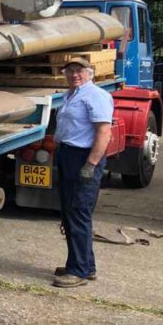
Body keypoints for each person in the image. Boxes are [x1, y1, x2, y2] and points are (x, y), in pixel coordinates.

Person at [52, 56, 114, 288]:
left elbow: (103, 132)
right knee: (70, 213)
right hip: (68, 155)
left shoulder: (96, 96)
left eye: (79, 70)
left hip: (83, 158)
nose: (74, 74)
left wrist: (91, 164)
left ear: (90, 72)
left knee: (78, 213)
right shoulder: (70, 95)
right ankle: (84, 265)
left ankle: (77, 271)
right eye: (70, 71)